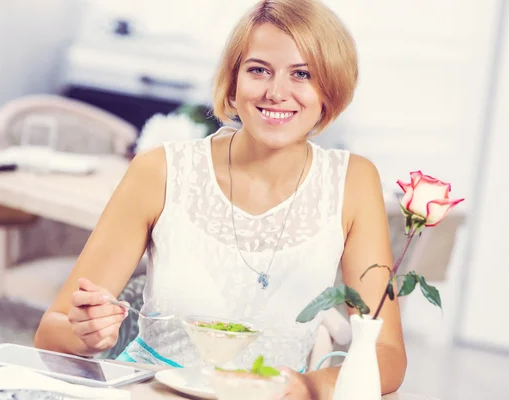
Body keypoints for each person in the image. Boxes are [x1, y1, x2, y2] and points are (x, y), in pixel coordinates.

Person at [34, 0, 407, 398]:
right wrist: (84, 334)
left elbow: (386, 354)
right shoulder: (159, 171)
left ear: (329, 89)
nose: (277, 92)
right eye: (259, 70)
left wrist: (306, 387)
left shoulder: (353, 181)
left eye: (302, 74)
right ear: (233, 81)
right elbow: (51, 331)